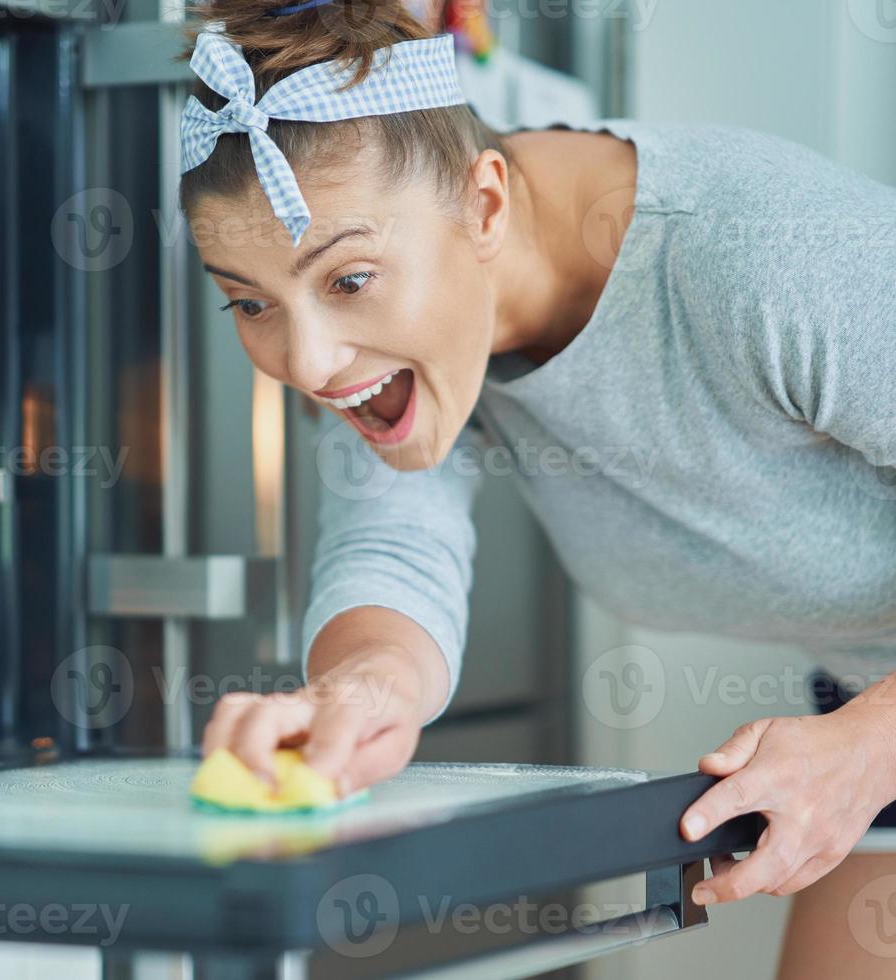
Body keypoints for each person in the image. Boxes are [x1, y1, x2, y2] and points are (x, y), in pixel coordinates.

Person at [177, 0, 896, 974]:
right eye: (251, 300)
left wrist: (861, 750)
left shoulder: (770, 256)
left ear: (484, 205)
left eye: (346, 280)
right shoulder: (419, 347)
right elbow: (395, 547)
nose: (305, 358)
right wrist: (359, 692)